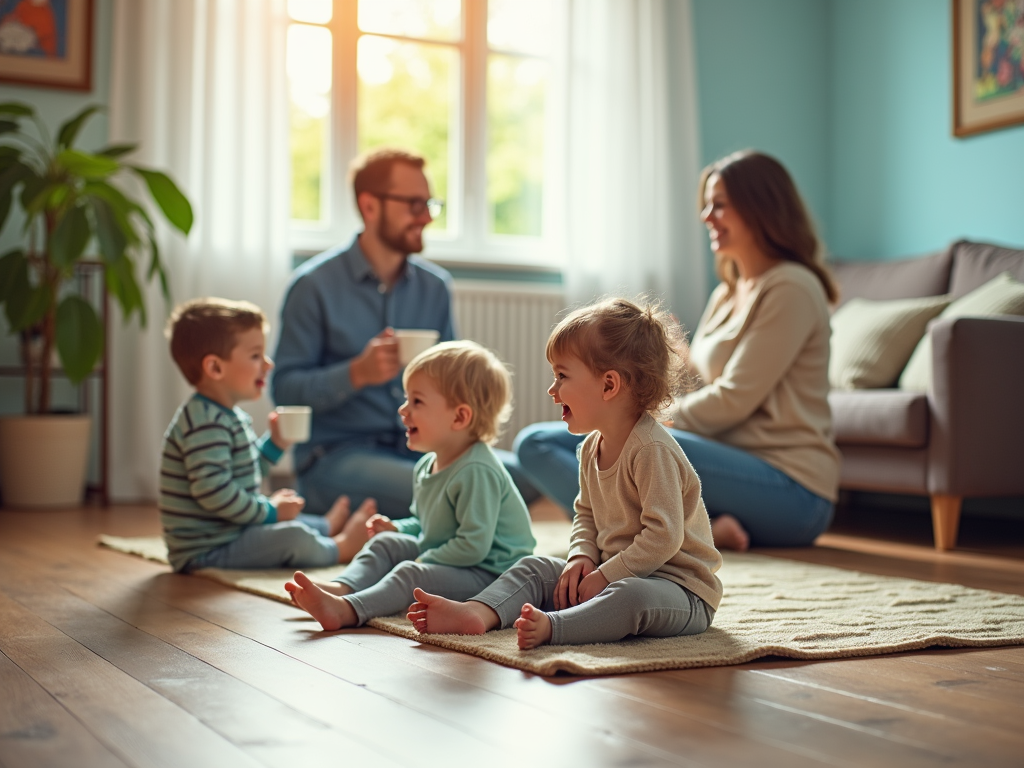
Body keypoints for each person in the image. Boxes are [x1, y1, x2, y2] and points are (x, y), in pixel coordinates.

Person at [514, 150, 840, 551]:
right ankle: (683, 530)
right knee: (546, 443)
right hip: (726, 459)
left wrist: (639, 412)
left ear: (761, 207)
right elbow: (702, 380)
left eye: (719, 205)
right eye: (706, 205)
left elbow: (734, 399)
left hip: (790, 487)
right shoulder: (728, 292)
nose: (706, 216)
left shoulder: (791, 286)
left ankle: (661, 536)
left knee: (550, 444)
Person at [406, 298, 723, 650]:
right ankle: (478, 612)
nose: (552, 390)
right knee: (534, 568)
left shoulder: (651, 450)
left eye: (561, 376)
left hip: (678, 591)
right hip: (608, 573)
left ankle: (556, 627)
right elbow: (585, 515)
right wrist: (581, 558)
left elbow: (663, 537)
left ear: (608, 386)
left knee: (630, 595)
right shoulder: (590, 448)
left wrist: (605, 576)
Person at [272, 148, 537, 519]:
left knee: (524, 476)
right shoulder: (313, 287)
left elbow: (454, 379)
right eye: (414, 204)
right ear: (369, 206)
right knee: (457, 487)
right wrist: (355, 374)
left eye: (429, 203)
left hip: (422, 447)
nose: (427, 216)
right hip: (338, 457)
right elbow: (283, 389)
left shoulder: (434, 287)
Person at [285, 340, 537, 631]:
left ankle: (348, 610)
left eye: (416, 401)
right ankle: (342, 588)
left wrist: (419, 556)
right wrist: (397, 529)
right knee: (385, 544)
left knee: (409, 573)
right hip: (459, 560)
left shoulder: (477, 470)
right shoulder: (427, 465)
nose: (403, 410)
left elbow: (472, 547)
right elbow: (426, 524)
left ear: (459, 417)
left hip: (491, 574)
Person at [159, 298, 375, 573]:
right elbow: (215, 492)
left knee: (291, 518)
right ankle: (339, 547)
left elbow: (243, 473)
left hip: (231, 531)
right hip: (208, 549)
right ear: (215, 368)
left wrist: (274, 444)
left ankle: (326, 527)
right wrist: (270, 511)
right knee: (291, 536)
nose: (268, 364)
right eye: (255, 356)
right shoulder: (205, 424)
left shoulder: (226, 416)